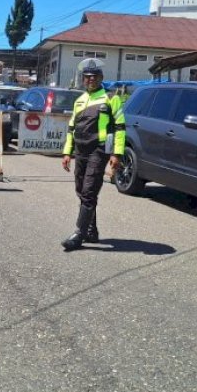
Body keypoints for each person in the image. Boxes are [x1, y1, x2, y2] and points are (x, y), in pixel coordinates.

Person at [60, 59, 126, 250]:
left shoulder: (111, 98)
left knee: (89, 192)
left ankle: (78, 234)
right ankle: (92, 231)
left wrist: (117, 153)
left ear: (101, 78)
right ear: (83, 79)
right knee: (81, 191)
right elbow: (71, 128)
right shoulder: (79, 100)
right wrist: (67, 153)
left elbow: (120, 127)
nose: (90, 80)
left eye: (94, 77)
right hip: (80, 150)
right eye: (87, 77)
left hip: (99, 150)